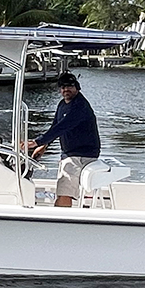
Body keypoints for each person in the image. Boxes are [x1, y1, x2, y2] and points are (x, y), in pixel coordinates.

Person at [26, 72, 100, 207]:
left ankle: (60, 220)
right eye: (63, 87)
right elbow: (56, 125)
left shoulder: (79, 106)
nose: (66, 90)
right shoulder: (62, 104)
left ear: (77, 87)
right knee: (62, 184)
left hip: (81, 155)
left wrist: (35, 142)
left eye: (70, 86)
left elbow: (63, 127)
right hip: (70, 153)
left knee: (64, 189)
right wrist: (44, 145)